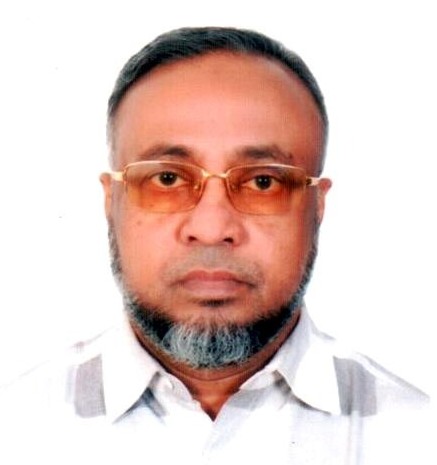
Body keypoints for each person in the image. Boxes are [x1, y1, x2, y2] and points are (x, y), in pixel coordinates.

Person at [1, 27, 430, 464]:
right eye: (167, 178)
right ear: (112, 202)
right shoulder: (15, 430)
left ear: (317, 207)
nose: (211, 228)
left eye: (263, 182)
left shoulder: (416, 436)